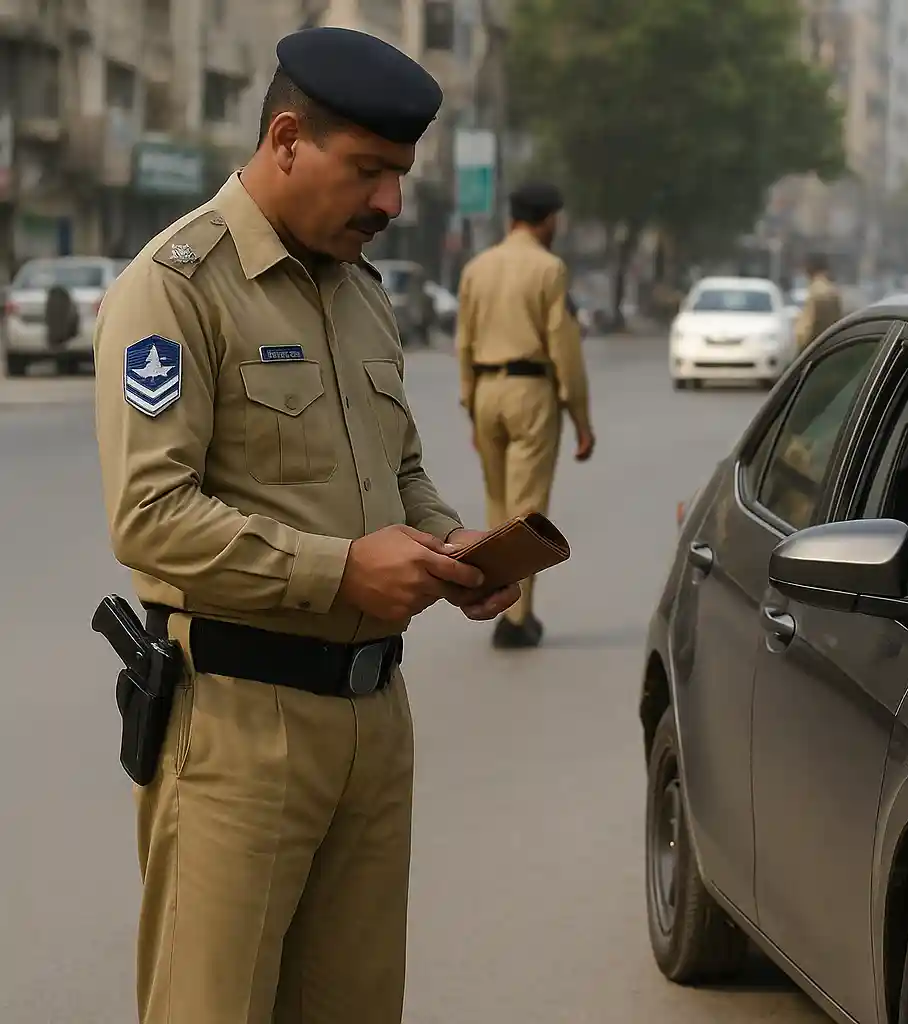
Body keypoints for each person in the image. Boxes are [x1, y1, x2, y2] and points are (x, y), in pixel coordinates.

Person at [92, 27, 522, 1024]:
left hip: (376, 722)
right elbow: (150, 517)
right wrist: (339, 572)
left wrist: (450, 544)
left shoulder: (362, 294)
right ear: (287, 139)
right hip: (239, 725)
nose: (389, 204)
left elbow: (401, 469)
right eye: (369, 171)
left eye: (401, 175)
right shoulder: (176, 288)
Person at [455, 180, 594, 649]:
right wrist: (581, 419)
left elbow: (464, 342)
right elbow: (564, 350)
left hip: (486, 392)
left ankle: (496, 603)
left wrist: (471, 404)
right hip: (531, 392)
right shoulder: (549, 269)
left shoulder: (477, 268)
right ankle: (516, 619)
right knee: (527, 510)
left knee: (497, 506)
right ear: (549, 219)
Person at [793, 252, 844, 352]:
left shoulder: (815, 292)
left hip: (816, 352)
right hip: (831, 350)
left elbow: (805, 333)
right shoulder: (834, 291)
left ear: (810, 268)